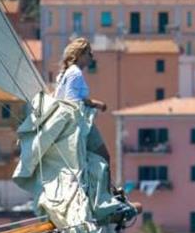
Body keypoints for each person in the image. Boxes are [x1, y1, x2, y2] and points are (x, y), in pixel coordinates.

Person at [55, 38, 141, 218]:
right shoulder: (75, 73)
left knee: (90, 162)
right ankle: (107, 198)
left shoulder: (66, 74)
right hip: (80, 125)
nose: (92, 57)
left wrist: (93, 104)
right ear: (80, 54)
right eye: (89, 53)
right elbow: (72, 102)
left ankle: (100, 196)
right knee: (104, 156)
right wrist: (94, 105)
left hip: (71, 127)